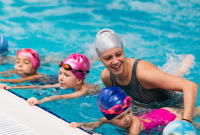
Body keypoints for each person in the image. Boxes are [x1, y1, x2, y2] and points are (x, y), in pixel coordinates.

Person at [94, 28, 198, 122]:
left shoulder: (143, 73)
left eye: (119, 54)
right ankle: (179, 71)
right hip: (149, 110)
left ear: (123, 51)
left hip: (174, 107)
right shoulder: (107, 77)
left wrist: (186, 122)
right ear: (100, 58)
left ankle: (182, 71)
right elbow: (118, 108)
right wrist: (95, 124)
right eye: (108, 58)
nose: (115, 61)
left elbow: (190, 86)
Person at [70, 87, 200, 135]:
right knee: (195, 112)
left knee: (194, 125)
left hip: (170, 119)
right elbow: (95, 123)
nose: (127, 118)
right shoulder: (107, 119)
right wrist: (80, 125)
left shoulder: (135, 124)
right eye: (120, 117)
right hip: (161, 112)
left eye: (129, 112)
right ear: (109, 119)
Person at [17, 53, 93, 106]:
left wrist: (40, 101)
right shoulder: (66, 82)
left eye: (66, 75)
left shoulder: (83, 91)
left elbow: (62, 97)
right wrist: (12, 87)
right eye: (60, 73)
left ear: (79, 80)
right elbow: (44, 86)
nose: (60, 78)